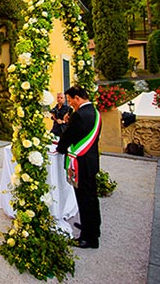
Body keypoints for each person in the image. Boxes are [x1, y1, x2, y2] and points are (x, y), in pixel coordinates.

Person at [56, 86, 102, 249]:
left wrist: (60, 148)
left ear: (77, 98)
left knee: (84, 199)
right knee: (91, 198)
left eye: (70, 100)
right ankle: (93, 228)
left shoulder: (80, 115)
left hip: (81, 163)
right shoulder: (95, 112)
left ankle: (89, 238)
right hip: (91, 161)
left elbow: (69, 135)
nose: (71, 104)